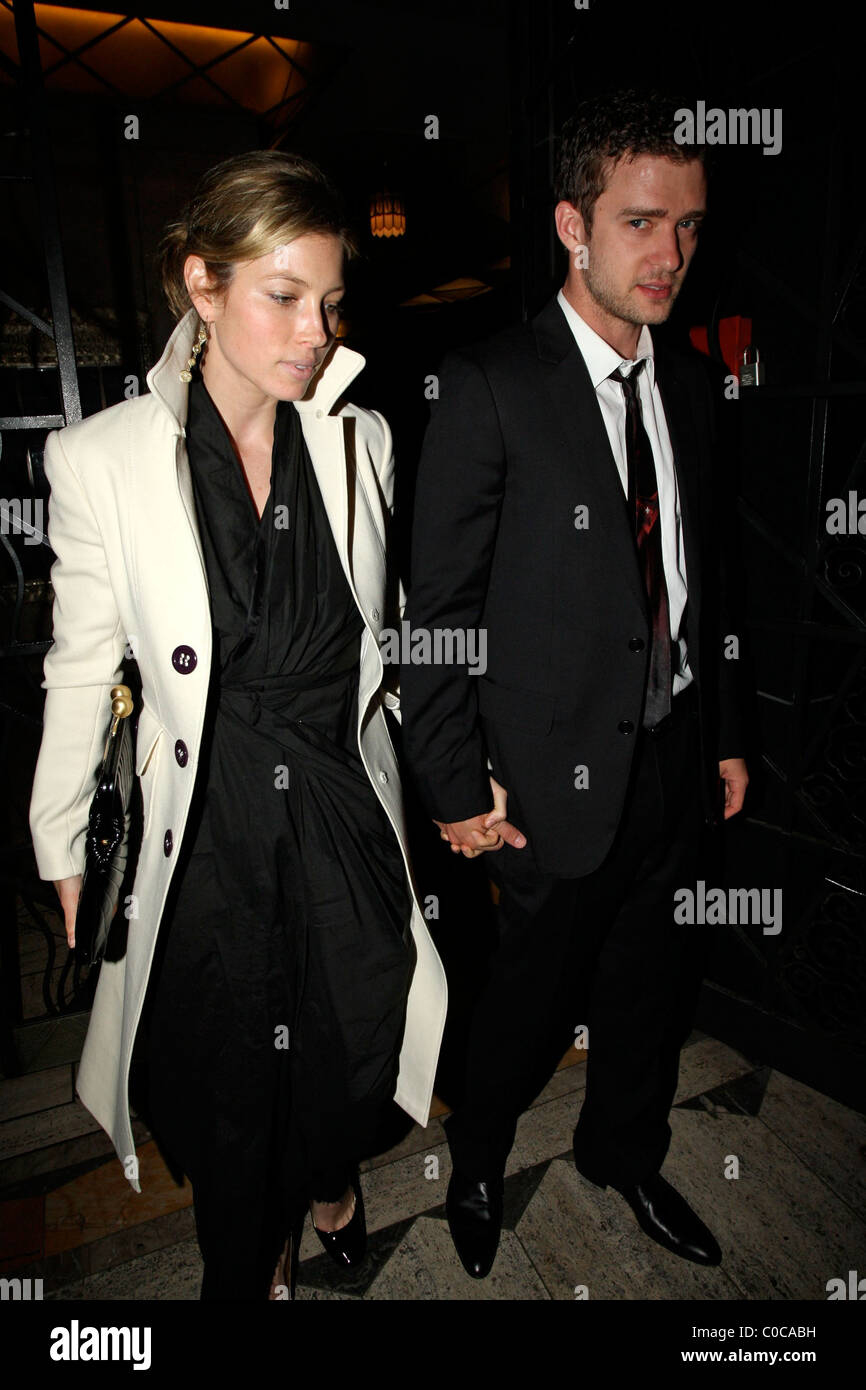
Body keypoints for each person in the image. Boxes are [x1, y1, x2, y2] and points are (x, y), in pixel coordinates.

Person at [28, 150, 446, 1300]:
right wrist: (59, 832)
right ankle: (246, 1267)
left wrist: (462, 772)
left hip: (338, 806)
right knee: (223, 1088)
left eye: (328, 301)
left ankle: (328, 1177)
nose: (315, 331)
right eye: (282, 296)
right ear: (200, 284)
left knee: (344, 1041)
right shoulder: (100, 460)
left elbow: (386, 635)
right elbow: (79, 665)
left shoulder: (360, 440)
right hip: (205, 823)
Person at [400, 90, 749, 1279]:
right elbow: (433, 618)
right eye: (641, 222)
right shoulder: (487, 384)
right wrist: (452, 787)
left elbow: (708, 581)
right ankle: (482, 1159)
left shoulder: (692, 386)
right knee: (523, 1008)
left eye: (688, 227)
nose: (669, 255)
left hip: (671, 757)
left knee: (648, 990)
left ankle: (622, 1155)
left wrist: (723, 734)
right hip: (540, 784)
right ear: (569, 224)